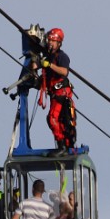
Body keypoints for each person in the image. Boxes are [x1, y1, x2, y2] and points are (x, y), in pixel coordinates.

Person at [35, 27, 77, 155]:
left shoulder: (62, 57)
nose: (50, 43)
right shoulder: (48, 57)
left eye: (53, 41)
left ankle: (63, 147)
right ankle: (62, 144)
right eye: (49, 41)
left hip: (61, 93)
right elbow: (37, 67)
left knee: (54, 118)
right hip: (54, 94)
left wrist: (49, 65)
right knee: (52, 119)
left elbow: (64, 72)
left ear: (59, 43)